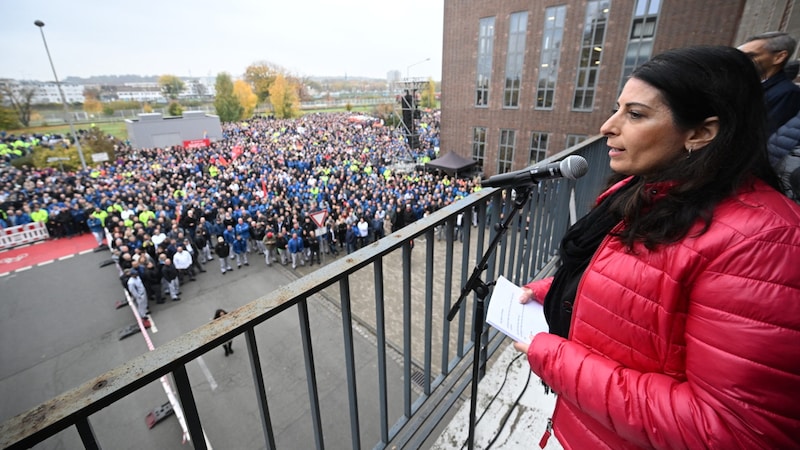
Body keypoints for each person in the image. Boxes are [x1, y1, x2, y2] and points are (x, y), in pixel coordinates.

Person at [513, 46, 800, 449]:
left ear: (701, 132)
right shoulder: (647, 191)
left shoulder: (764, 243)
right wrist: (561, 292)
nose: (608, 126)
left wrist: (557, 359)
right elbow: (647, 298)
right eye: (617, 108)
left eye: (635, 114)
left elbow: (731, 431)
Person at [738, 31, 800, 136]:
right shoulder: (744, 84)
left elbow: (764, 134)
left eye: (751, 56)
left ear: (779, 57)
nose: (742, 61)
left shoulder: (788, 93)